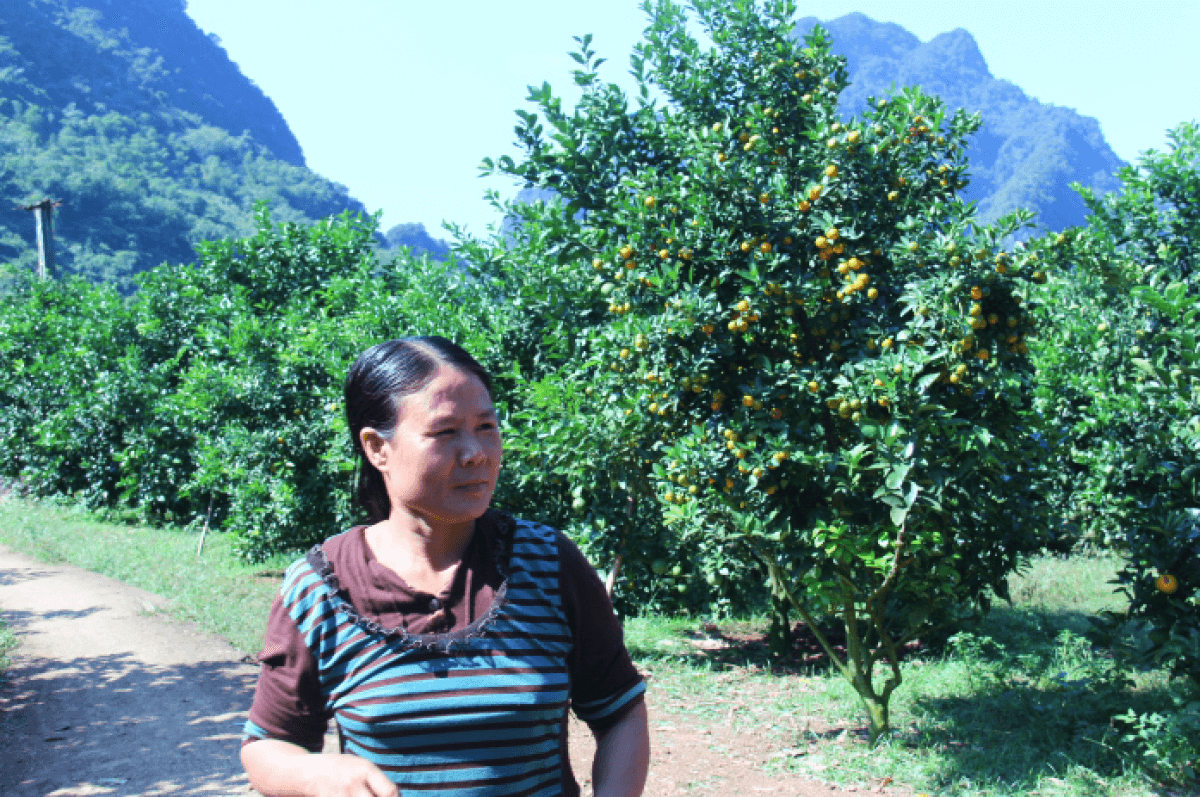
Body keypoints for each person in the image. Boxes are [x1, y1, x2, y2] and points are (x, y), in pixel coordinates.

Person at [240, 336, 650, 797]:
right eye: (445, 432)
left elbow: (620, 713)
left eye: (486, 426)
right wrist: (317, 775)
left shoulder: (548, 564)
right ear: (378, 449)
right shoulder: (320, 588)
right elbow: (269, 746)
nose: (476, 451)